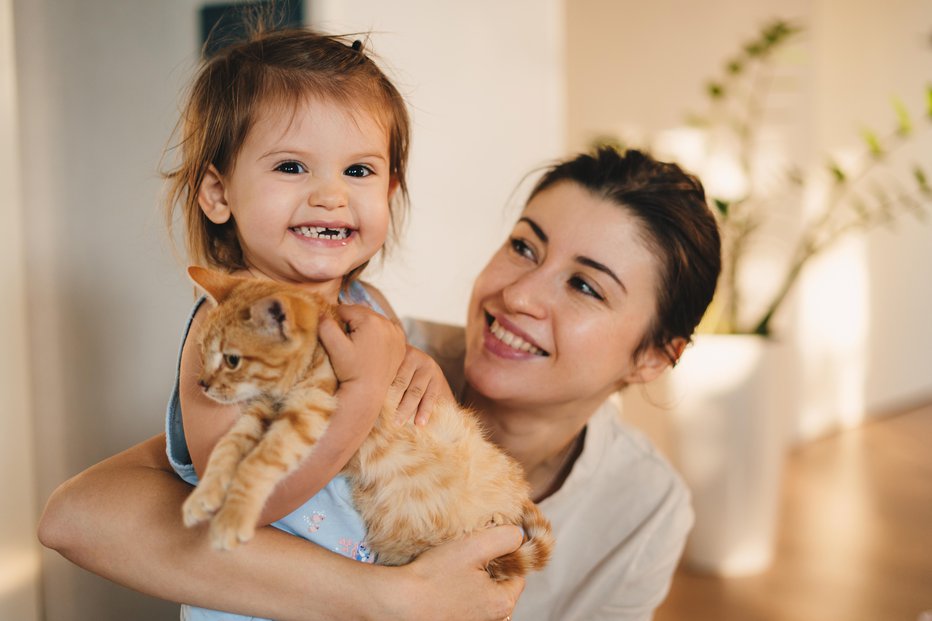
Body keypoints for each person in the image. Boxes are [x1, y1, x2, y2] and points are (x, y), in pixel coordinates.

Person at [39, 146, 722, 621]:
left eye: (583, 285)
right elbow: (76, 515)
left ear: (656, 357)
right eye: (523, 245)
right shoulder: (368, 346)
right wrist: (388, 598)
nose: (520, 295)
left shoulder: (645, 508)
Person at [116, 25, 462, 621]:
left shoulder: (368, 301)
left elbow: (401, 412)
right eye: (292, 167)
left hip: (370, 599)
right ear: (219, 194)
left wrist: (418, 371)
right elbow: (247, 495)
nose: (331, 195)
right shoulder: (221, 327)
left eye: (359, 172)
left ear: (391, 189)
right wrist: (362, 391)